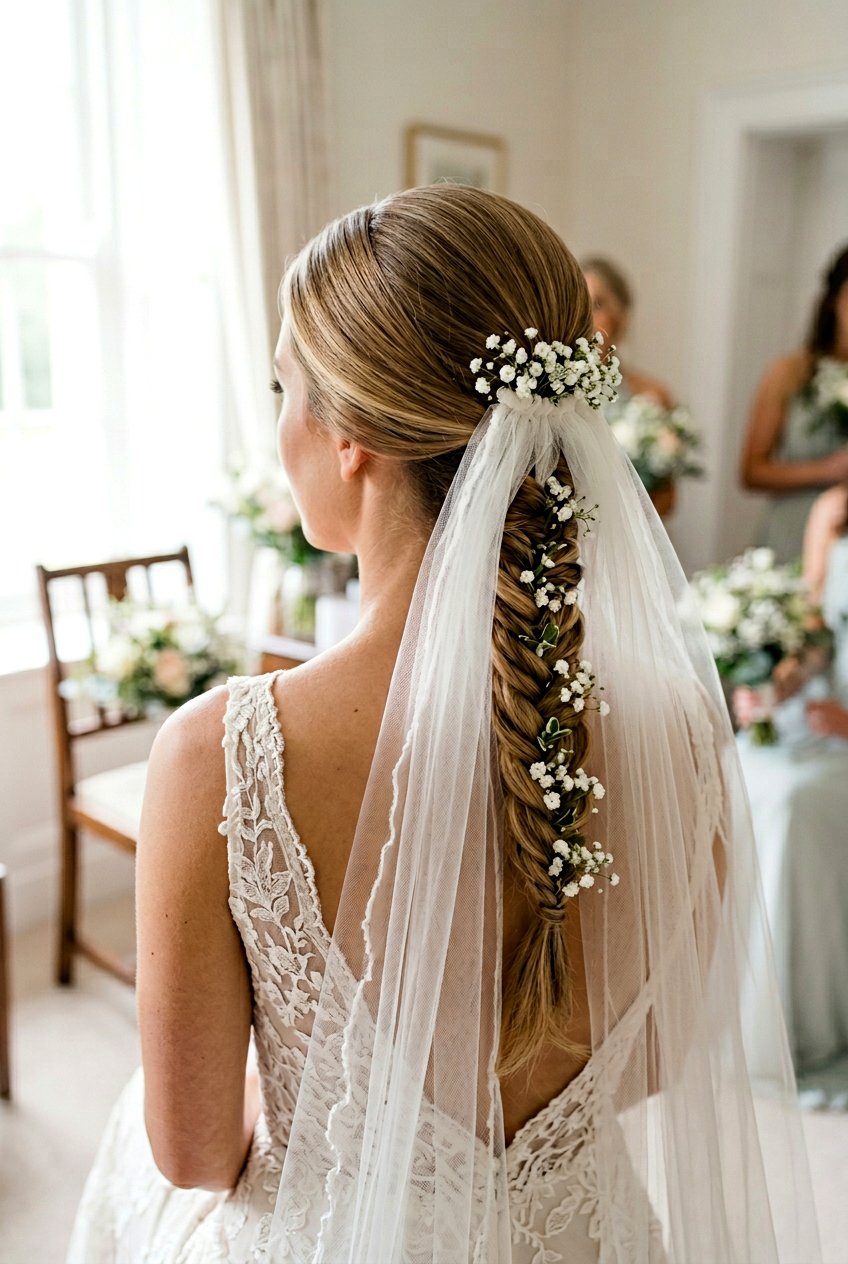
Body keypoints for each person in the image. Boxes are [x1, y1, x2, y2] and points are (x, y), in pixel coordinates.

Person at [68, 186, 819, 1262]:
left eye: (285, 386)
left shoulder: (224, 753)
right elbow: (651, 1062)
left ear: (351, 439)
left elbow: (192, 1152)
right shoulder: (688, 730)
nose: (279, 421)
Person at [735, 481, 848, 1101]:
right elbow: (811, 635)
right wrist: (771, 689)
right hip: (820, 717)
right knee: (738, 764)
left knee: (791, 802)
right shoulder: (834, 510)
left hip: (844, 733)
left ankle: (791, 1023)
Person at [740, 243, 848, 563]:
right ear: (834, 301)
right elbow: (751, 471)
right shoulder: (789, 373)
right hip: (792, 535)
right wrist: (828, 469)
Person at [582, 257, 675, 409]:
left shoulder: (651, 395)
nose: (585, 316)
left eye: (597, 304)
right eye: (581, 304)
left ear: (620, 316)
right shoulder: (554, 397)